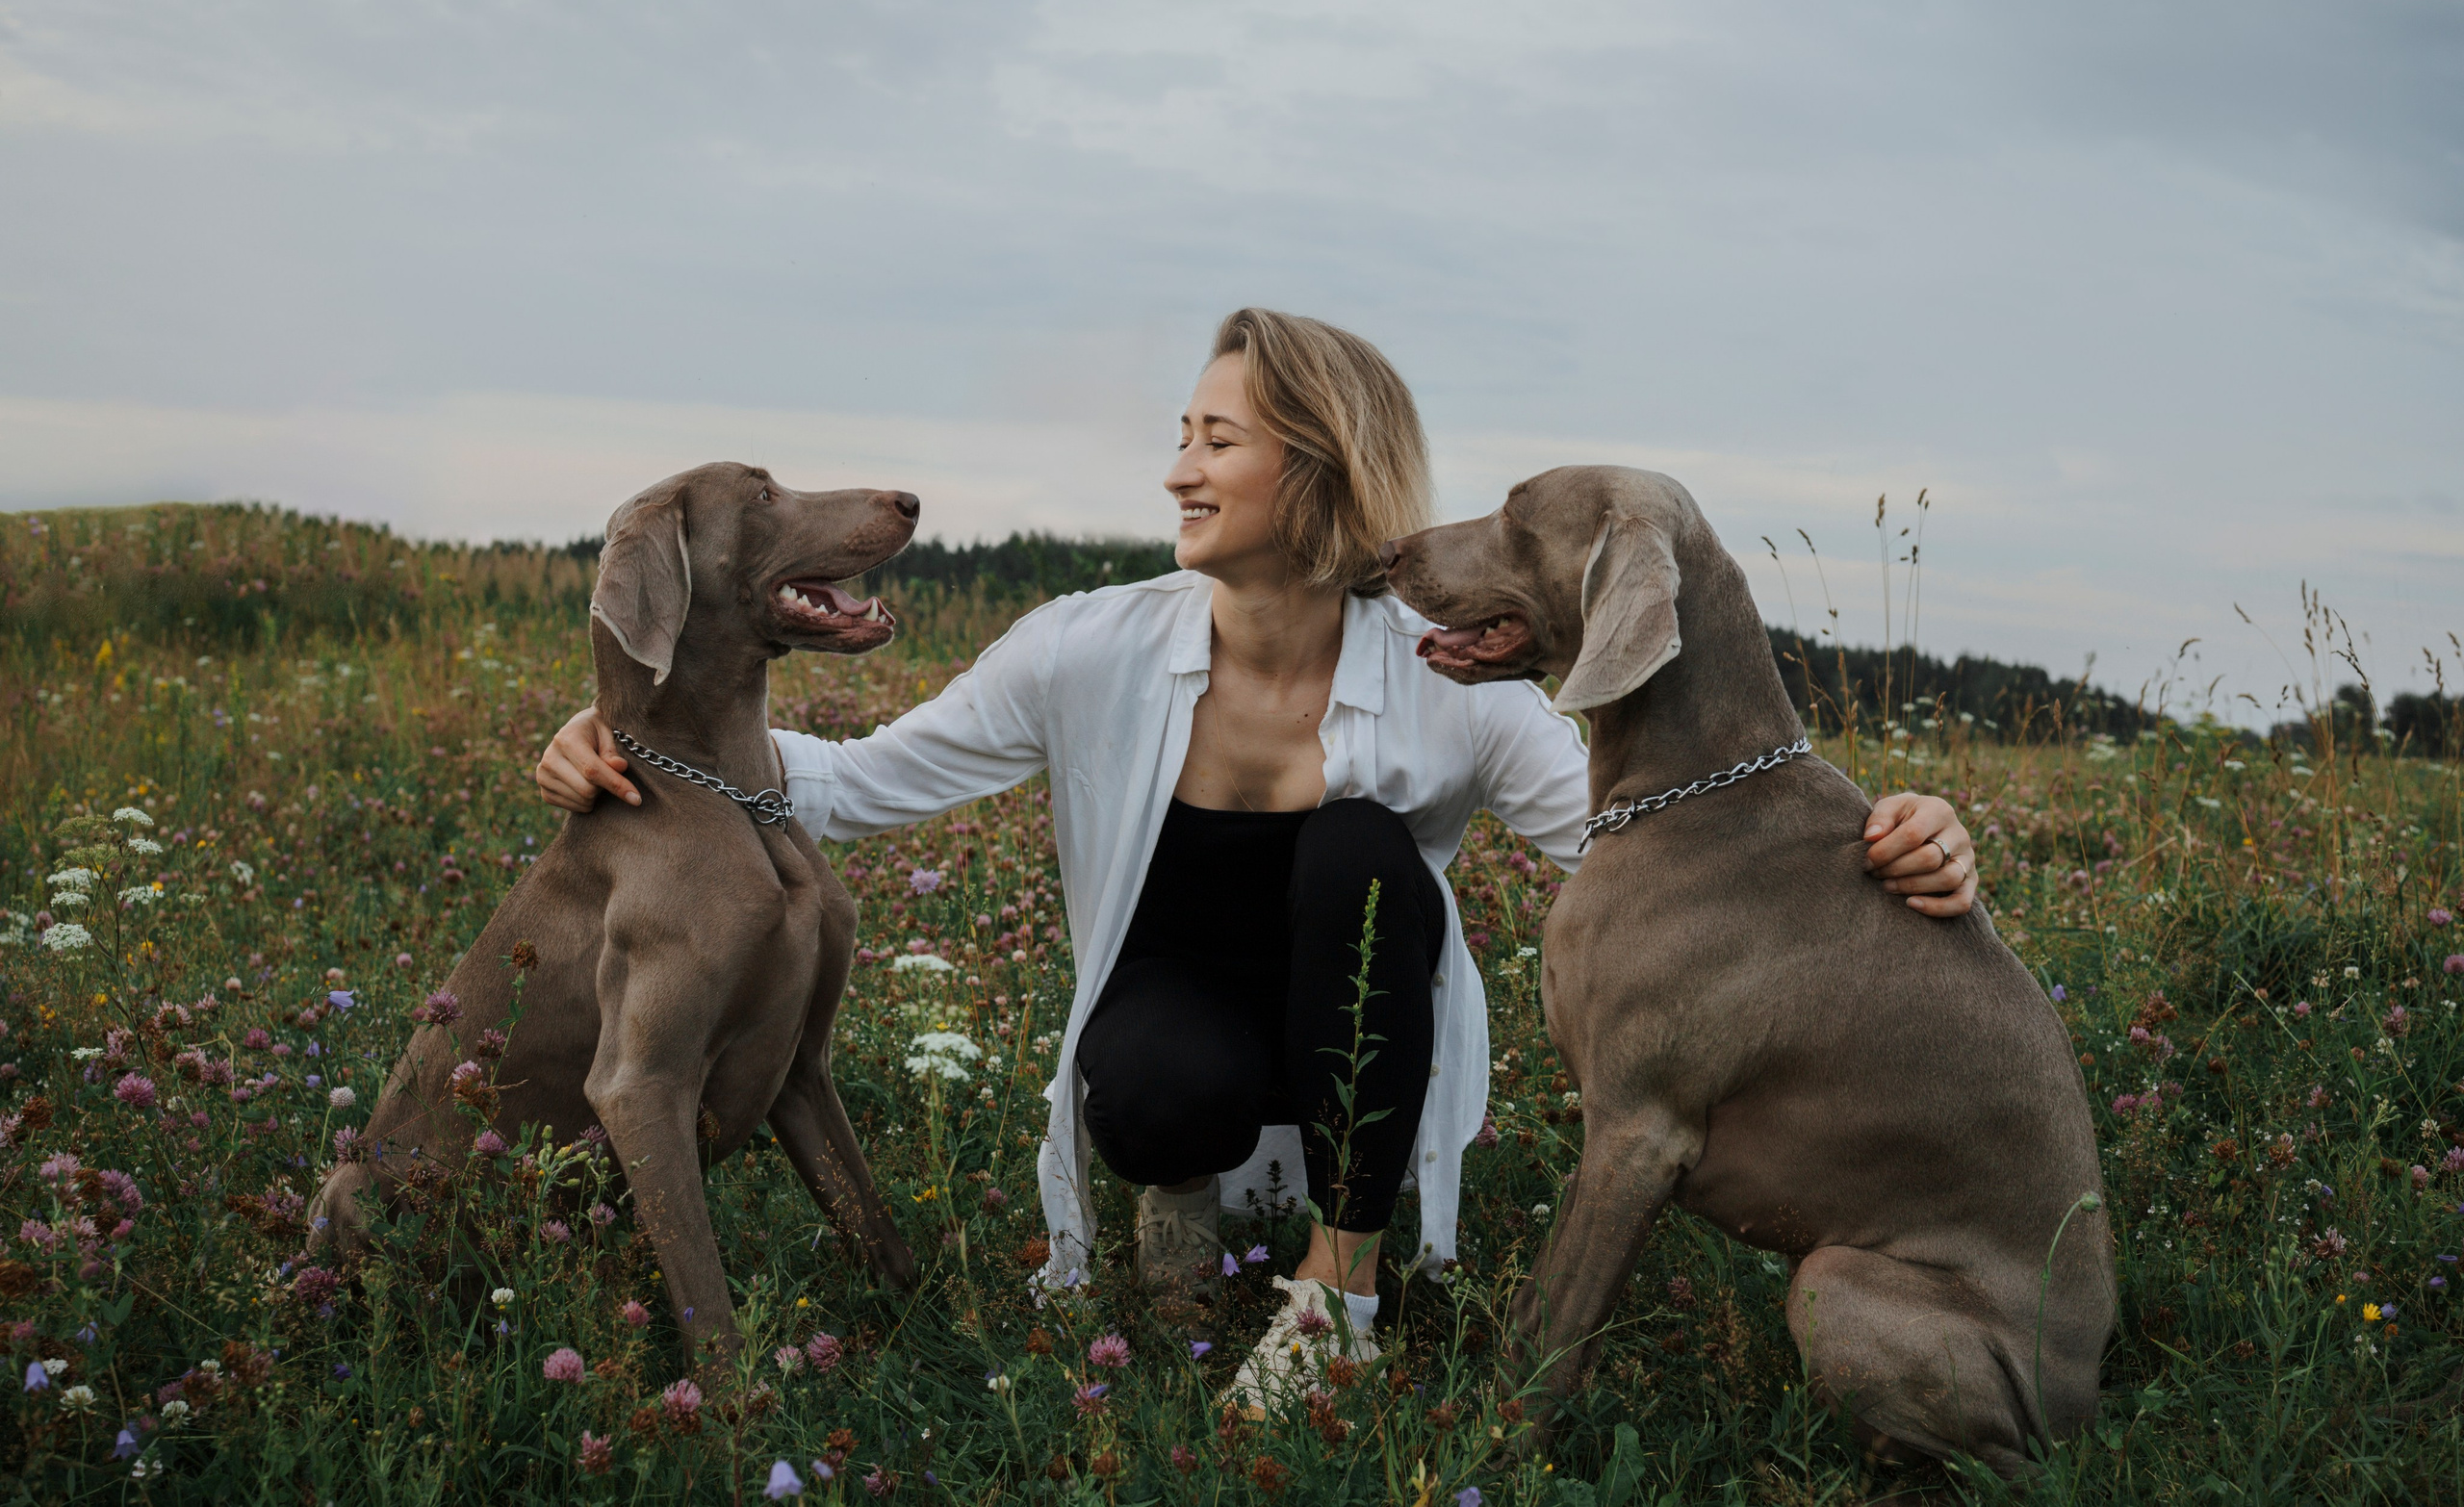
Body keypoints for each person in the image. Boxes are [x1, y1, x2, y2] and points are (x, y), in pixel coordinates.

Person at [532, 308, 1979, 1412]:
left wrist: (1896, 834)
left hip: (1355, 1072)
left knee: (1362, 849)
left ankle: (1338, 1295)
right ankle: (1191, 1206)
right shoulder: (1086, 646)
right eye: (1184, 435)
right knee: (1154, 1076)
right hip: (1181, 1053)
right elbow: (849, 786)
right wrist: (629, 746)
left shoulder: (1438, 679)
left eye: (1216, 440)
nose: (1178, 470)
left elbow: (1655, 840)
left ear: (1321, 462)